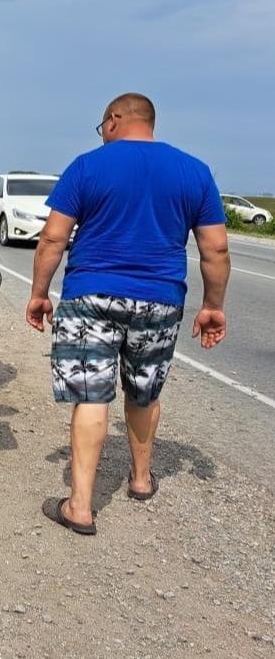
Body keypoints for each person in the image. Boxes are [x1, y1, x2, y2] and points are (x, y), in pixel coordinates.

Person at [26, 93, 230, 535]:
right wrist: (213, 306)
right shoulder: (194, 171)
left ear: (115, 119)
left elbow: (52, 239)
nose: (102, 136)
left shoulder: (86, 167)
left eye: (103, 127)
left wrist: (40, 293)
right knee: (144, 392)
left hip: (90, 296)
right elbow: (215, 248)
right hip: (160, 299)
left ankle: (80, 507)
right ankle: (140, 480)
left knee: (90, 396)